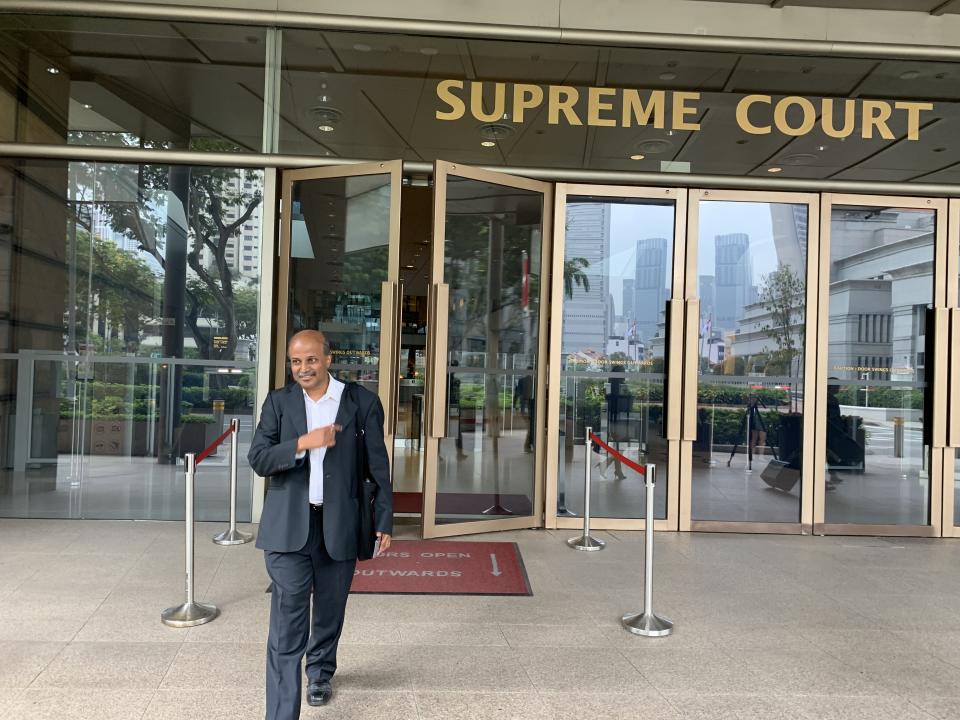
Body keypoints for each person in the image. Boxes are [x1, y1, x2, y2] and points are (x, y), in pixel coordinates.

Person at [248, 330, 393, 720]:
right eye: (296, 362)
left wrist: (384, 520)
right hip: (288, 527)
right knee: (287, 620)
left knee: (329, 610)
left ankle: (320, 672)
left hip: (340, 523)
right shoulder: (279, 403)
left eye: (310, 360)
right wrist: (302, 443)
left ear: (328, 359)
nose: (302, 369)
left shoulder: (360, 402)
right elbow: (259, 459)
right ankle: (280, 714)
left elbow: (377, 466)